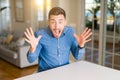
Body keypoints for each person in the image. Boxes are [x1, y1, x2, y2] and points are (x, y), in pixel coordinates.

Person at [24, 7, 92, 72]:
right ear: (48, 22)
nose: (56, 26)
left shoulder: (70, 32)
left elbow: (78, 57)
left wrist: (81, 46)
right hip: (46, 74)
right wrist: (32, 48)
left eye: (60, 22)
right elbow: (30, 60)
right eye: (53, 22)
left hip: (64, 73)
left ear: (65, 22)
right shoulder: (40, 35)